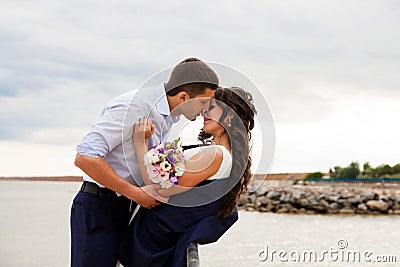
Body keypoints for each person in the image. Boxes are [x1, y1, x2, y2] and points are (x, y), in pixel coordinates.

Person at [70, 57, 219, 267]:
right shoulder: (135, 106)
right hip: (99, 207)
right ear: (184, 97)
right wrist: (137, 195)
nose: (205, 110)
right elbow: (85, 157)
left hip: (124, 208)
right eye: (204, 102)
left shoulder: (169, 116)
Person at [119, 87, 256, 267]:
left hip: (152, 241)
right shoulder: (222, 155)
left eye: (212, 108)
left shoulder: (216, 154)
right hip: (157, 241)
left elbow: (159, 187)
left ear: (229, 117)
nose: (204, 112)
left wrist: (139, 142)